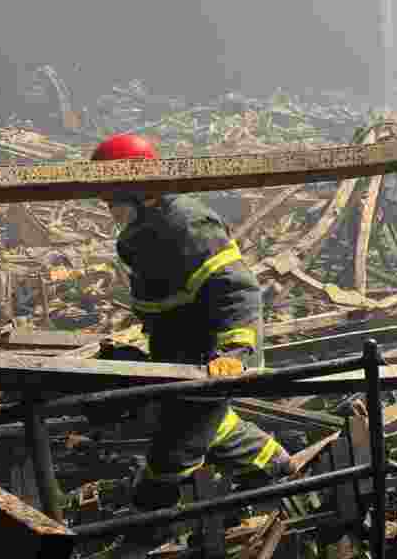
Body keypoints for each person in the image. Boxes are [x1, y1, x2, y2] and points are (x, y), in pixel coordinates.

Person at [90, 134, 295, 541]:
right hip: (176, 353)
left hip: (209, 358)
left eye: (112, 197)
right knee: (205, 424)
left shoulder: (188, 225)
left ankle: (146, 528)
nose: (108, 207)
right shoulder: (141, 232)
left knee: (172, 452)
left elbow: (236, 291)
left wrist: (234, 351)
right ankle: (276, 465)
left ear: (137, 189)